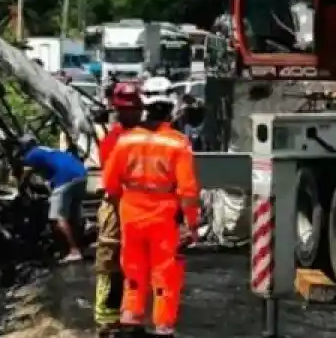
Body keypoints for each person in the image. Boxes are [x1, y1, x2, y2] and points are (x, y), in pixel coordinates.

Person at [102, 100, 200, 336]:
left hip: (131, 213)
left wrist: (121, 206)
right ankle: (163, 327)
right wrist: (192, 223)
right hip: (164, 216)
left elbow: (110, 183)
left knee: (133, 270)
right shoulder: (177, 142)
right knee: (165, 274)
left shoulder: (126, 140)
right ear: (171, 111)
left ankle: (130, 320)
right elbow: (187, 190)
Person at [94, 82, 144, 335]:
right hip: (118, 206)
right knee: (111, 261)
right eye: (126, 109)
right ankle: (107, 321)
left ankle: (130, 318)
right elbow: (113, 186)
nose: (131, 114)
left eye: (134, 109)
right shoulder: (113, 140)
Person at [18, 134, 88, 263]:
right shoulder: (47, 150)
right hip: (81, 175)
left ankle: (74, 250)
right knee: (73, 216)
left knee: (57, 218)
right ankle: (79, 247)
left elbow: (25, 177)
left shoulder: (31, 155)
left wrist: (21, 189)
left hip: (65, 179)